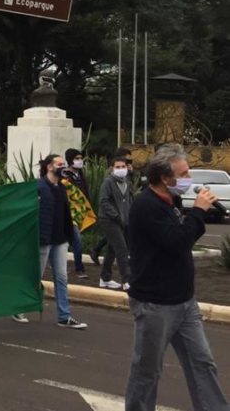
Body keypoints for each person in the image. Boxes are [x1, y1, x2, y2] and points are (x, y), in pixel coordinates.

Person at [125, 144, 228, 411]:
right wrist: (198, 212)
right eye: (183, 174)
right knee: (147, 371)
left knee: (202, 363)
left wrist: (208, 207)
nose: (188, 178)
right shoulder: (146, 206)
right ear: (164, 178)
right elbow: (177, 242)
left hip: (184, 302)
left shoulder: (174, 201)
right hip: (155, 304)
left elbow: (190, 230)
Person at [36, 154, 88, 329]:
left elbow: (66, 213)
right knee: (35, 276)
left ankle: (64, 316)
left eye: (63, 164)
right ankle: (19, 307)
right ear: (49, 167)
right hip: (44, 240)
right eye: (59, 164)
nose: (63, 167)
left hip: (60, 239)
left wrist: (70, 235)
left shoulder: (63, 188)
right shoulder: (39, 187)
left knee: (61, 277)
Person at [96, 156, 134, 290]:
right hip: (109, 220)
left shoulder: (127, 182)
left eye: (123, 166)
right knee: (122, 249)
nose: (121, 169)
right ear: (112, 169)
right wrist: (116, 216)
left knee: (112, 249)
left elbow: (129, 200)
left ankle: (105, 278)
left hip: (123, 220)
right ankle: (127, 280)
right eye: (118, 167)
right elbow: (104, 201)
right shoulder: (108, 183)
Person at [62, 148, 90, 280]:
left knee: (67, 241)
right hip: (68, 213)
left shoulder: (80, 175)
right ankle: (79, 268)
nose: (80, 161)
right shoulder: (65, 176)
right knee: (77, 240)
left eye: (81, 158)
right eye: (77, 158)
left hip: (79, 212)